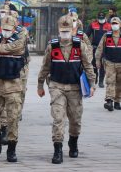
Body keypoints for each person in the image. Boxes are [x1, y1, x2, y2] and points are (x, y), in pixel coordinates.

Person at [37, 15, 95, 164]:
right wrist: (40, 85)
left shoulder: (79, 45)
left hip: (75, 87)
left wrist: (92, 84)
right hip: (57, 86)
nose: (65, 34)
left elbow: (88, 65)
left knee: (75, 119)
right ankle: (57, 150)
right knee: (58, 118)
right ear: (58, 30)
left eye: (67, 31)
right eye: (62, 31)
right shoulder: (53, 46)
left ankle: (73, 142)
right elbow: (45, 67)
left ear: (73, 29)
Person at [0, 15, 26, 162]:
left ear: (15, 29)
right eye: (3, 29)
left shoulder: (19, 40)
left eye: (8, 29)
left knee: (12, 118)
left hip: (13, 85)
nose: (5, 32)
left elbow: (2, 49)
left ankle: (12, 148)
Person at [95, 17, 121, 111]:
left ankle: (117, 102)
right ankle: (109, 101)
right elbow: (99, 48)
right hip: (109, 62)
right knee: (110, 81)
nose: (115, 25)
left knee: (119, 83)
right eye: (113, 23)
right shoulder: (106, 36)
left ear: (120, 24)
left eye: (116, 23)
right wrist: (97, 60)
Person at [85, 12, 111, 87]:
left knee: (103, 65)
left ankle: (101, 81)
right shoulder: (92, 25)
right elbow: (86, 35)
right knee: (94, 64)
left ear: (105, 18)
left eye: (102, 18)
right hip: (95, 47)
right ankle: (95, 78)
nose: (101, 19)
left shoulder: (109, 26)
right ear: (97, 18)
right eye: (100, 18)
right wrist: (88, 45)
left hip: (105, 48)